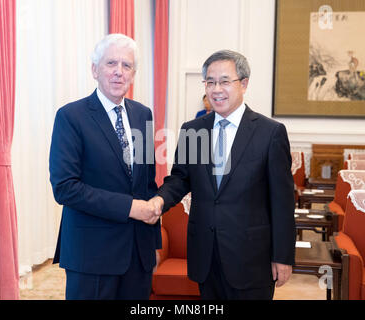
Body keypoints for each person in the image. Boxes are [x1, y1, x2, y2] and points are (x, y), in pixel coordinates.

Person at [153, 50, 296, 300]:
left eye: (224, 81)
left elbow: (282, 203)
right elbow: (180, 179)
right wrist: (159, 201)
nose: (216, 89)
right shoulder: (192, 130)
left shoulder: (270, 133)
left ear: (244, 84)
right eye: (210, 81)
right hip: (205, 258)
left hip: (252, 260)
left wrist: (282, 256)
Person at [49, 33, 161, 300]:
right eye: (111, 63)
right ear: (94, 70)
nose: (119, 72)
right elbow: (65, 188)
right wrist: (130, 207)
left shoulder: (142, 114)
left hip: (138, 255)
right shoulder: (71, 116)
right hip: (92, 256)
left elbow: (147, 182)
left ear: (134, 74)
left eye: (127, 66)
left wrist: (153, 243)